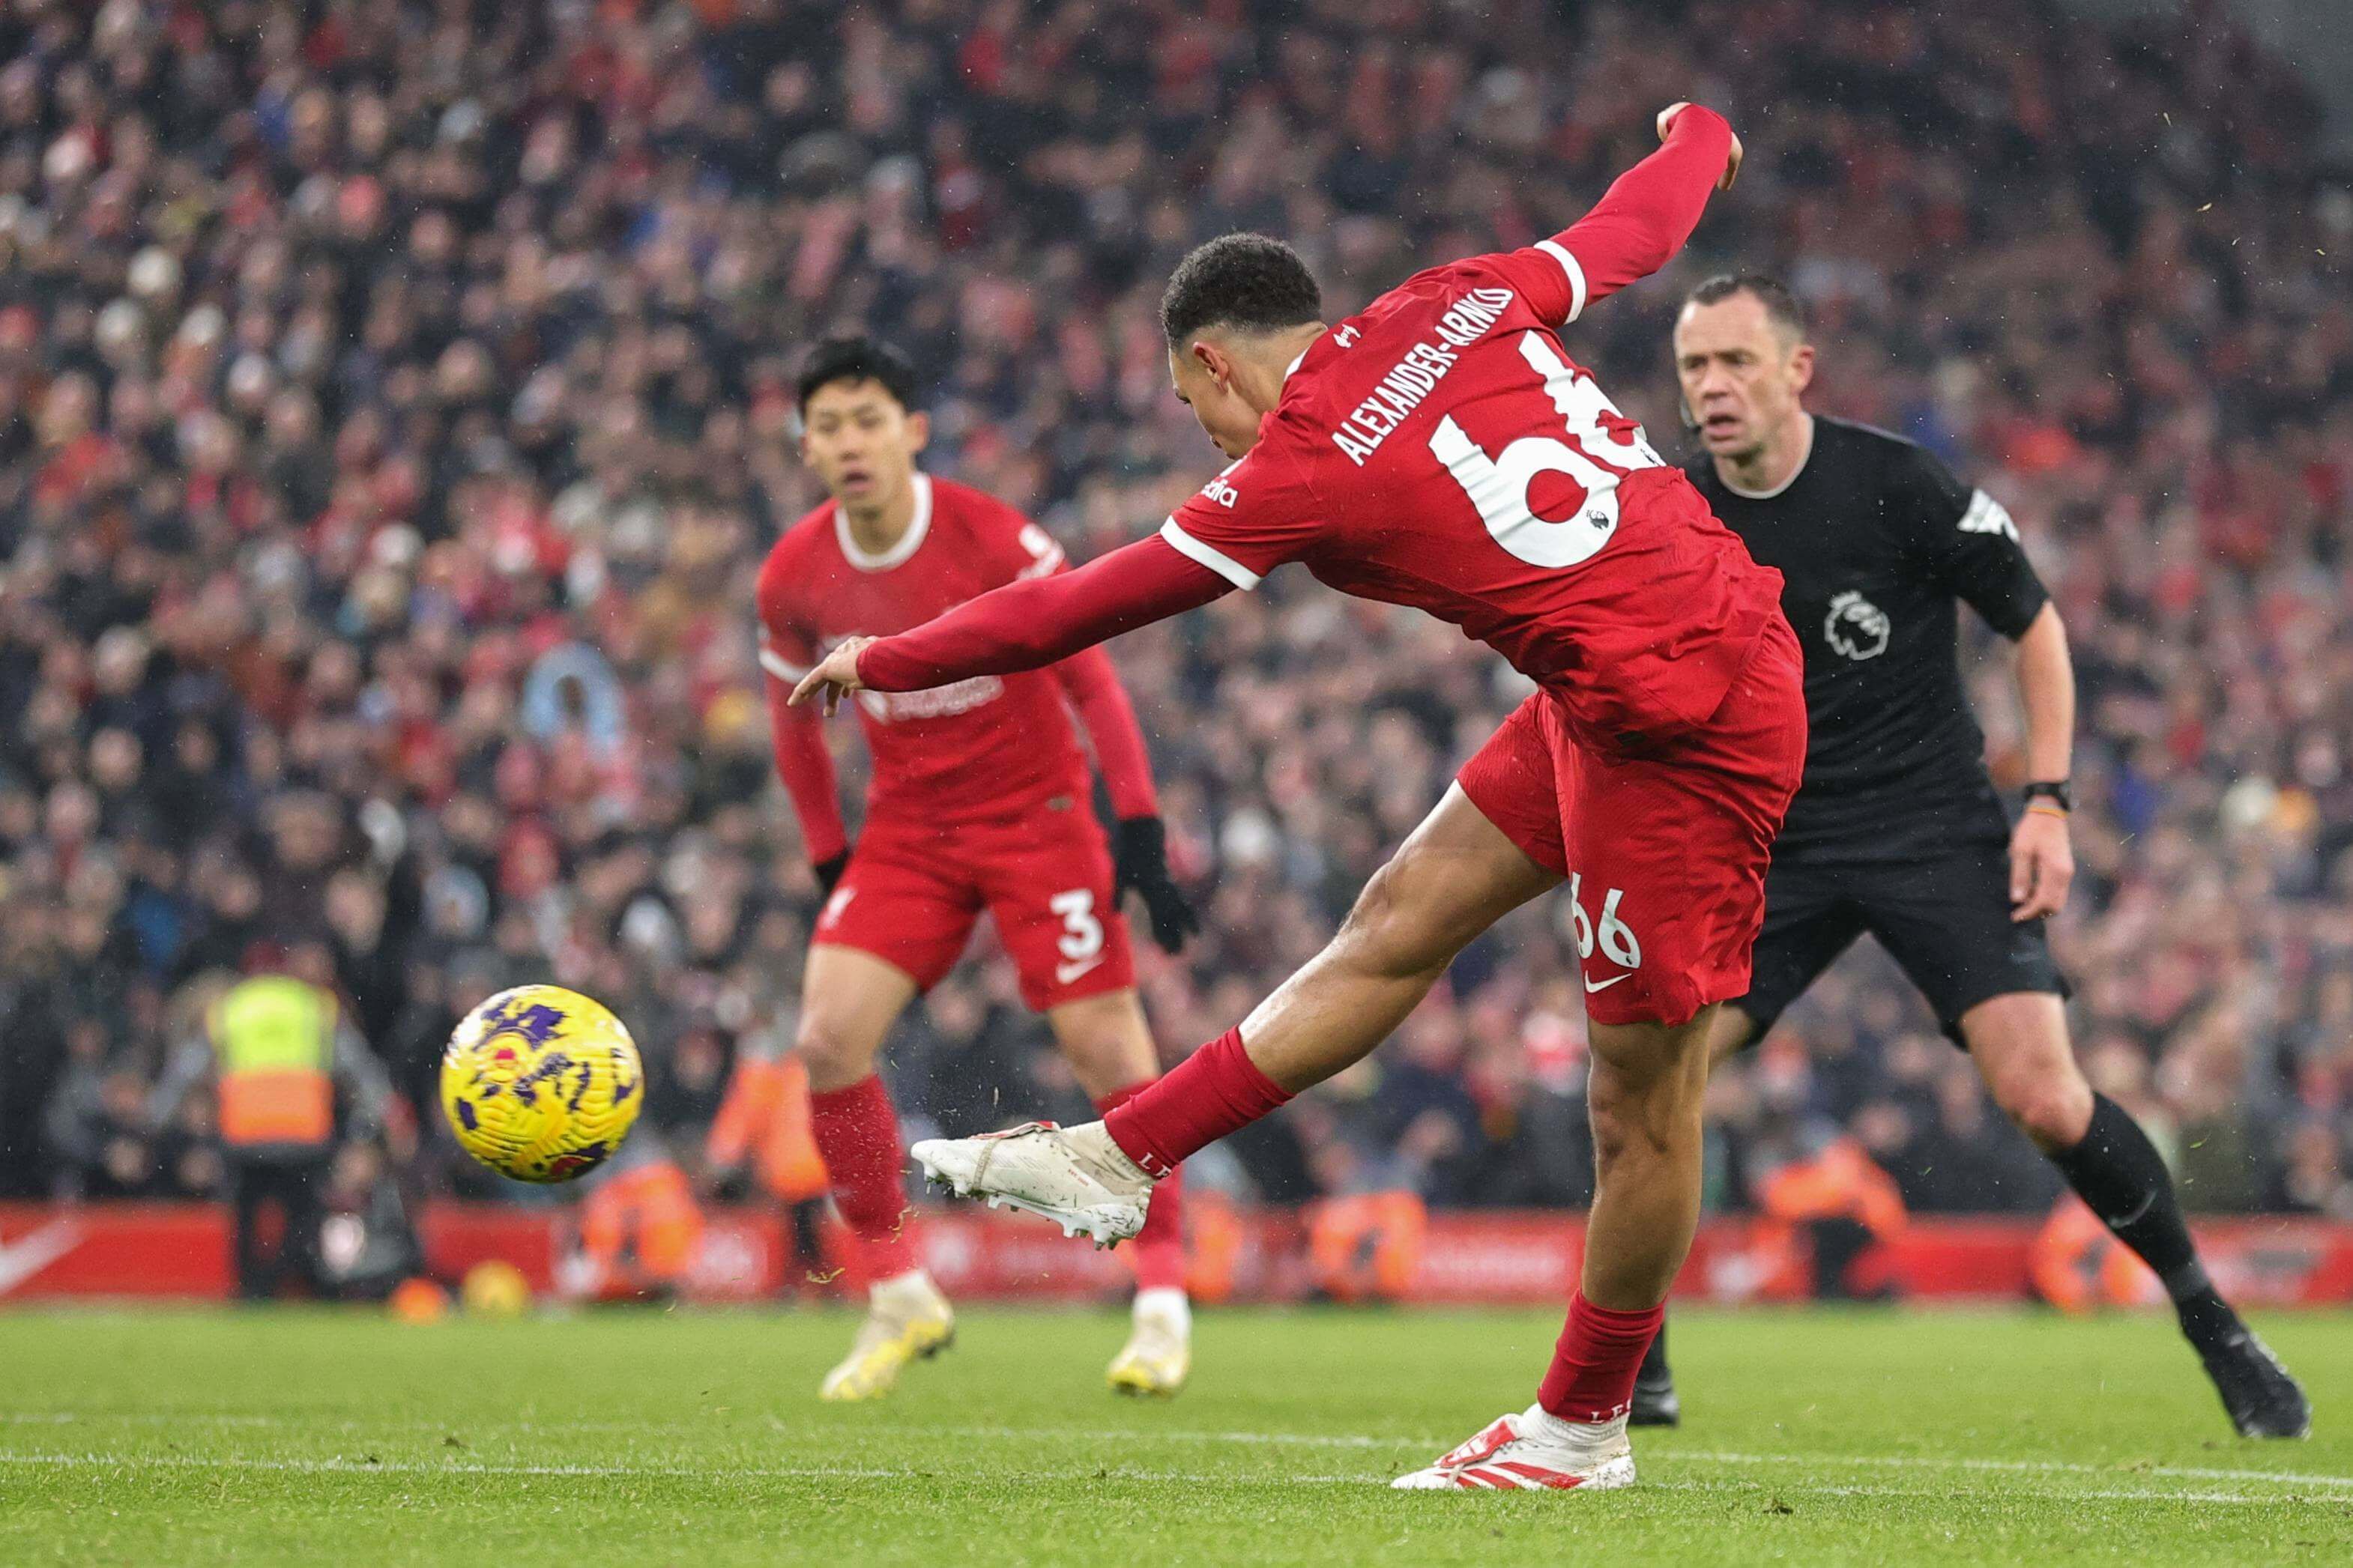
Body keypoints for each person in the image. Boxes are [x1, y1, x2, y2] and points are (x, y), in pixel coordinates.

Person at [797, 104, 1801, 1490]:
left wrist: (882, 656)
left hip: (1691, 723)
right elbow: (1634, 229)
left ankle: (1581, 1426)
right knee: (1394, 918)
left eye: (1188, 403)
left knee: (1643, 1104)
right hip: (1619, 683)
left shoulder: (1296, 468)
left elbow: (1071, 609)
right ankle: (1119, 1153)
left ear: (1213, 360)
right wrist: (1703, 135)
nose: (1205, 435)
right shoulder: (1454, 298)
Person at [1635, 274, 2307, 1437]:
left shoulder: (1896, 483)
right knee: (1650, 1072)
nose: (1712, 387)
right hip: (1769, 842)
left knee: (2045, 1098)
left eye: (1736, 362)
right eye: (1695, 367)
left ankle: (2214, 1323)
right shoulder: (1676, 509)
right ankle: (1633, 1361)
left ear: (1797, 370)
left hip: (1929, 826)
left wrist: (2047, 802)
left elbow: (2034, 624)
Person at [758, 336, 1203, 1400]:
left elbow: (1092, 681)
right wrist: (829, 853)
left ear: (911, 431)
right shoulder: (792, 575)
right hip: (911, 831)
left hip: (1038, 818)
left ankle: (1162, 1301)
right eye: (829, 426)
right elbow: (797, 727)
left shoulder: (992, 537)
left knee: (1107, 1047)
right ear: (806, 448)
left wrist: (1135, 823)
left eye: (869, 419)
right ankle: (899, 1296)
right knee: (826, 1039)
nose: (850, 442)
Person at [151, 950, 393, 1301]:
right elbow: (359, 1068)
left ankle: (251, 1289)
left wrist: (156, 1117)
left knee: (247, 1214)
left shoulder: (231, 1009)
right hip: (303, 1132)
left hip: (247, 1133)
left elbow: (185, 1069)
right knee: (303, 1215)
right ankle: (298, 1284)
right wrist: (377, 1117)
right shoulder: (314, 1008)